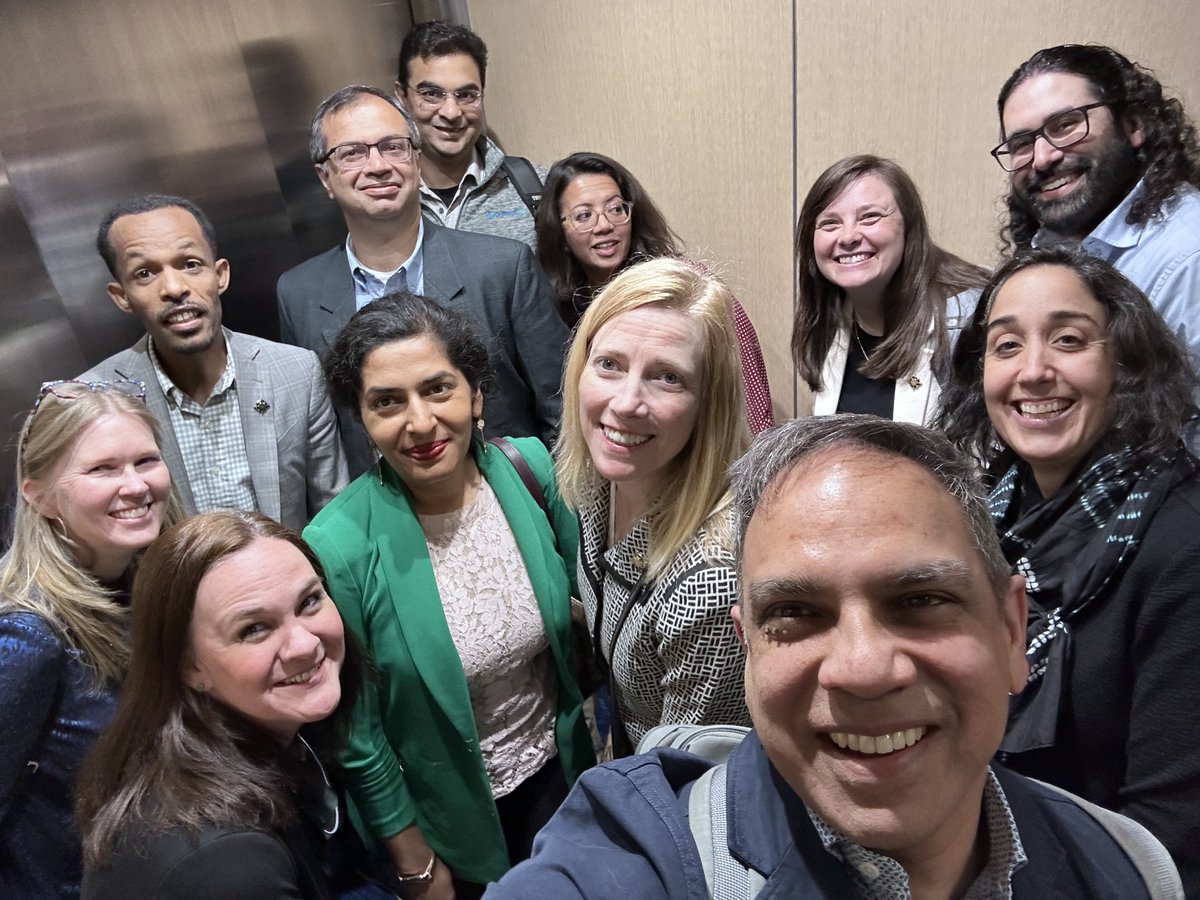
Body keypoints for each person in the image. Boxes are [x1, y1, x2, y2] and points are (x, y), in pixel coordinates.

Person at [486, 415, 1182, 899]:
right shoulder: (635, 860)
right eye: (796, 614)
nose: (862, 668)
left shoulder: (1130, 868)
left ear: (1009, 630)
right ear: (747, 651)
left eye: (920, 601)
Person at [303, 292, 595, 899]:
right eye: (387, 402)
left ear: (476, 394)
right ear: (362, 418)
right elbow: (358, 731)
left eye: (438, 389)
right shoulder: (338, 544)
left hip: (563, 782)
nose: (419, 422)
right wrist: (413, 860)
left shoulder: (528, 470)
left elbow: (579, 607)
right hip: (448, 822)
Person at [937, 245, 1200, 895]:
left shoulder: (1181, 543)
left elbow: (1171, 838)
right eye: (1005, 346)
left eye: (1068, 339)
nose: (1034, 371)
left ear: (1124, 361)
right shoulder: (990, 515)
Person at [278, 85, 568, 477]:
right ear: (325, 177)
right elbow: (318, 438)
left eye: (393, 147)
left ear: (415, 159)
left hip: (505, 502)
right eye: (352, 153)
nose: (378, 165)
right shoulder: (299, 293)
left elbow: (561, 409)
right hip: (381, 521)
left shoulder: (504, 266)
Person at [77, 511, 366, 900]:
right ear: (189, 666)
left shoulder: (257, 736)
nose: (304, 644)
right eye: (254, 629)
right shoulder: (228, 865)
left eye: (309, 601)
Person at [556, 257, 751, 757]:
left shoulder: (711, 582)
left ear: (709, 404)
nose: (625, 403)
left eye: (667, 378)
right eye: (609, 365)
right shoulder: (604, 482)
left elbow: (691, 775)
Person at [0, 381, 182, 898]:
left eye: (145, 460)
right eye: (102, 469)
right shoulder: (27, 637)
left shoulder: (141, 583)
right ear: (40, 496)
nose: (135, 486)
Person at [83, 194, 348, 530]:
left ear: (220, 275)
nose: (175, 288)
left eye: (191, 264)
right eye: (145, 273)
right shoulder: (95, 400)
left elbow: (335, 516)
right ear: (122, 296)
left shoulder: (296, 374)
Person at [993, 44, 1200, 376]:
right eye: (1022, 144)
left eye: (1065, 125)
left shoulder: (1188, 256)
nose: (1042, 157)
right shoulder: (1052, 245)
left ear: (1133, 125)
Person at [536, 151, 775, 434]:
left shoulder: (685, 286)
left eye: (615, 209)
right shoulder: (553, 308)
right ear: (559, 232)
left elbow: (748, 393)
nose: (604, 226)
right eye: (584, 216)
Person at [792, 154, 988, 425]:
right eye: (830, 223)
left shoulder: (967, 321)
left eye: (870, 217)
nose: (848, 237)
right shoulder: (828, 320)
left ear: (909, 227)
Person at [395, 21, 544, 248]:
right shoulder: (384, 196)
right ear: (403, 97)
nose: (451, 112)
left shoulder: (536, 187)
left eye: (466, 95)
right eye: (431, 94)